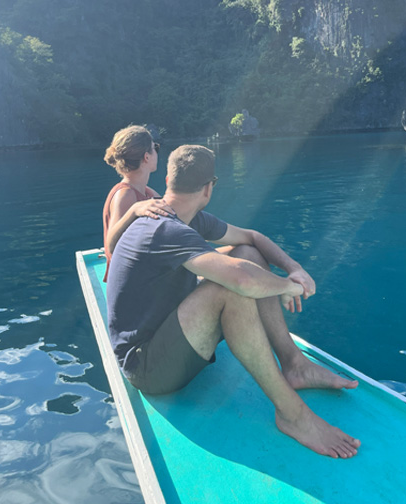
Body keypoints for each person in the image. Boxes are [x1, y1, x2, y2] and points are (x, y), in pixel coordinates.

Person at [105, 144, 360, 459]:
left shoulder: (189, 218)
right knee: (231, 289)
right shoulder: (163, 228)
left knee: (248, 255)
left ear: (170, 179)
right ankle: (293, 416)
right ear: (209, 188)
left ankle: (294, 365)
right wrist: (285, 287)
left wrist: (295, 268)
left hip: (168, 333)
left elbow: (252, 239)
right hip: (146, 367)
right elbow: (242, 280)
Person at [102, 125, 173, 279]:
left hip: (148, 269)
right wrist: (133, 210)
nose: (157, 153)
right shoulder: (125, 194)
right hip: (132, 279)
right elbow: (111, 246)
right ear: (146, 157)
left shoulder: (147, 192)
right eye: (156, 148)